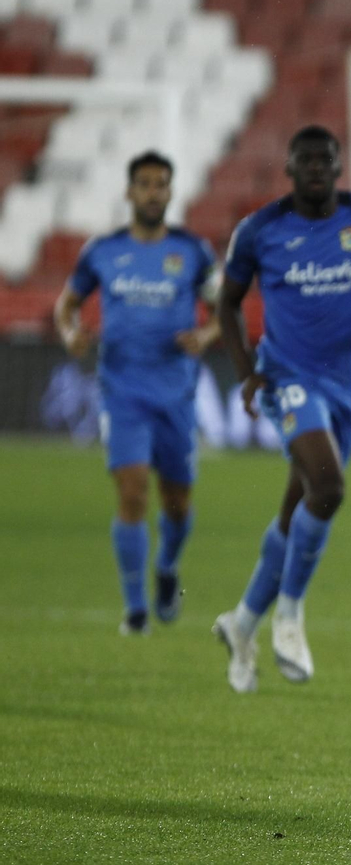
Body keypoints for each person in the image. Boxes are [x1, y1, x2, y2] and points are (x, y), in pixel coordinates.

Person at [210, 125, 351, 693]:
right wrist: (247, 372)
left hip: (345, 387)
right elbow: (227, 303)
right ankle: (289, 616)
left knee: (298, 508)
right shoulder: (259, 231)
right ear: (288, 167)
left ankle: (241, 625)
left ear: (337, 166)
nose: (314, 168)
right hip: (288, 377)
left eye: (324, 159)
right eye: (303, 159)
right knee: (328, 489)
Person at [54, 151, 219, 635]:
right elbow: (67, 306)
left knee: (177, 504)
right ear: (129, 192)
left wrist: (206, 337)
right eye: (144, 184)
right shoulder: (102, 251)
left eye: (161, 184)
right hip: (123, 393)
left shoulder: (193, 251)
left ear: (171, 192)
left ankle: (166, 569)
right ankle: (135, 609)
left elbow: (223, 308)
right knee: (131, 494)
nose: (153, 192)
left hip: (176, 395)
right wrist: (70, 334)